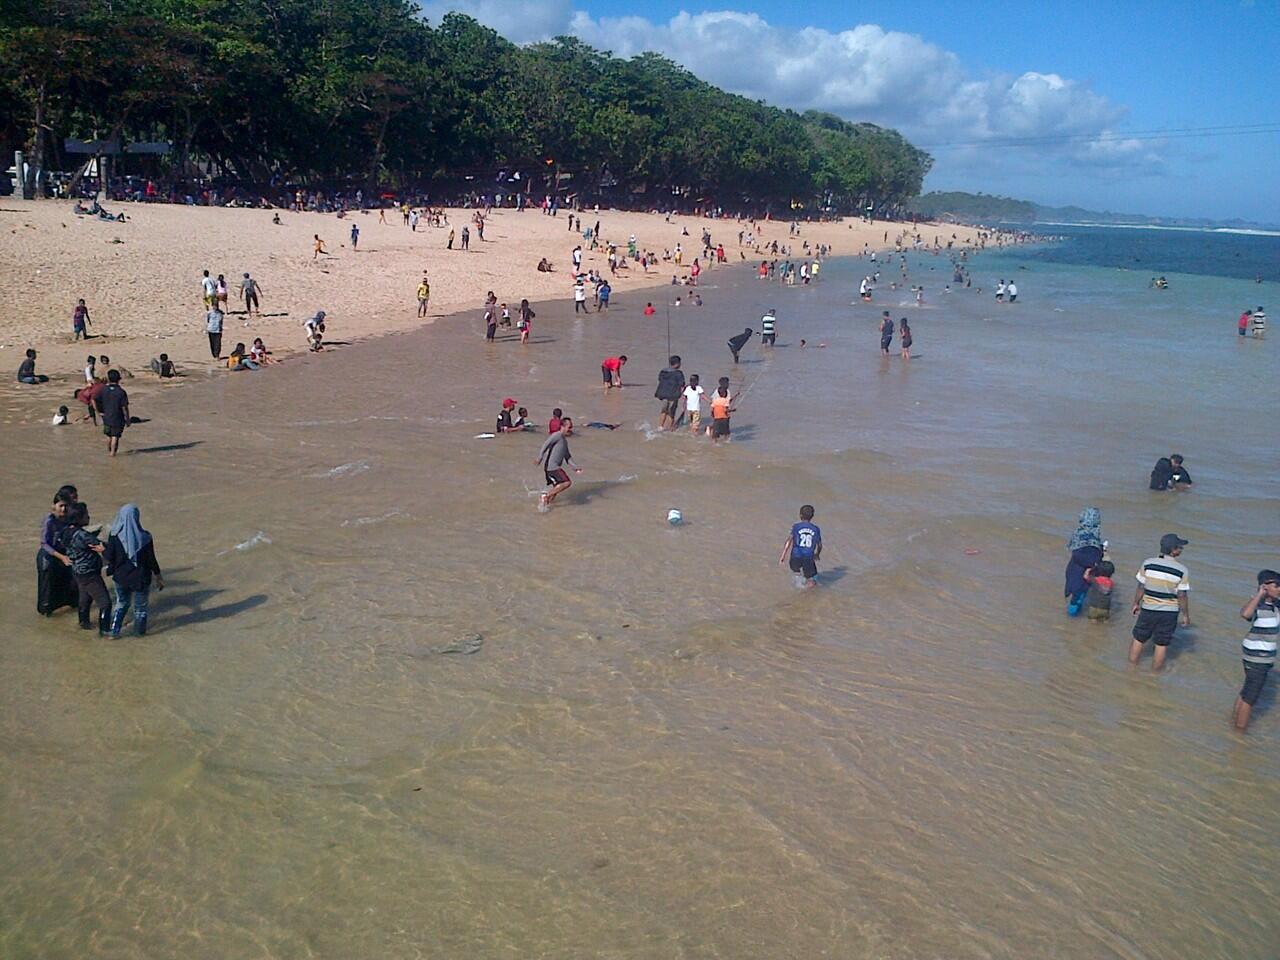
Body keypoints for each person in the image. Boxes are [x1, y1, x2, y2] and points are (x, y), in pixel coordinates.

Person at [1130, 534, 1191, 671]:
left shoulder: (1148, 563)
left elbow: (1141, 587)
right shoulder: (1182, 570)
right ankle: (1154, 674)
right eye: (1180, 547)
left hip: (1148, 608)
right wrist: (1185, 614)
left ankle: (1131, 668)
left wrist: (1136, 603)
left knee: (1139, 638)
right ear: (1174, 550)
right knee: (1161, 644)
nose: (1181, 550)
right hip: (1169, 612)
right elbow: (1181, 595)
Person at [103, 503, 164, 637]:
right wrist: (158, 577)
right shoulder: (146, 537)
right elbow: (151, 559)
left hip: (121, 578)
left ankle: (114, 632)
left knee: (121, 603)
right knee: (140, 609)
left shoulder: (114, 536)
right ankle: (139, 635)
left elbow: (108, 558)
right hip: (141, 578)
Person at [1235, 569, 1280, 732]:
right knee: (1250, 698)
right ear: (1265, 587)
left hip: (1261, 657)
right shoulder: (1257, 605)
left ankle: (1234, 722)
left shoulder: (1276, 605)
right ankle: (1239, 733)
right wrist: (1260, 593)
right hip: (1256, 657)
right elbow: (1245, 614)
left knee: (1246, 691)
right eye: (1277, 586)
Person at [62, 502, 111, 634]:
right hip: (90, 574)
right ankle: (105, 631)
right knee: (105, 604)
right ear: (79, 518)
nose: (88, 517)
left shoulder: (66, 532)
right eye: (86, 515)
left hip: (78, 572)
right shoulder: (83, 536)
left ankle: (83, 624)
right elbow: (100, 545)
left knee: (85, 599)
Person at [37, 491, 77, 617]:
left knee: (67, 583)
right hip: (48, 557)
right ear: (54, 506)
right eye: (61, 506)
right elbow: (44, 544)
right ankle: (46, 613)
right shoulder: (49, 521)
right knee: (47, 590)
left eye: (66, 506)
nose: (63, 509)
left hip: (63, 555)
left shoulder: (68, 519)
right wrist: (62, 557)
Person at [1064, 507, 1104, 615]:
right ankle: (1071, 623)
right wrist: (1096, 562)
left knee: (1076, 596)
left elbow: (1075, 552)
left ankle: (1071, 620)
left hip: (1073, 569)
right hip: (1083, 573)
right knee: (1078, 599)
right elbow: (1091, 557)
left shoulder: (1078, 533)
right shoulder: (1094, 536)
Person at [536, 418, 580, 509]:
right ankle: (545, 496)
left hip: (552, 468)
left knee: (556, 489)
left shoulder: (564, 441)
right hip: (552, 467)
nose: (571, 429)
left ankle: (546, 507)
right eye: (569, 427)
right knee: (567, 482)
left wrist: (575, 467)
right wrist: (540, 457)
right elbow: (546, 445)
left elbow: (567, 457)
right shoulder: (557, 435)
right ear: (562, 426)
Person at [779, 504, 822, 588]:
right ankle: (807, 592)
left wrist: (783, 556)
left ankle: (798, 586)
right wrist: (817, 554)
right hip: (808, 557)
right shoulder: (816, 529)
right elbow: (819, 545)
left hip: (795, 557)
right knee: (812, 578)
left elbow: (788, 541)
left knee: (797, 573)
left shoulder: (796, 527)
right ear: (812, 516)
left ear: (800, 515)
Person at [97, 369, 129, 456]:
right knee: (115, 436)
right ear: (119, 379)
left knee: (109, 436)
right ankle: (113, 453)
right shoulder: (121, 392)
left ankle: (109, 451)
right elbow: (124, 407)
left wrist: (99, 412)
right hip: (117, 418)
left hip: (106, 417)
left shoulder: (103, 390)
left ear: (108, 379)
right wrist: (127, 419)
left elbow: (96, 400)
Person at [654, 356, 686, 431]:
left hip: (663, 394)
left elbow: (660, 379)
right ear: (677, 364)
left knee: (664, 410)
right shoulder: (678, 373)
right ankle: (670, 428)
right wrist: (682, 394)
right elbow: (682, 384)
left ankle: (660, 427)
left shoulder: (663, 372)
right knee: (672, 412)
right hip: (673, 395)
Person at [708, 377, 734, 442]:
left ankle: (723, 440)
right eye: (726, 383)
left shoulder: (728, 391)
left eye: (728, 383)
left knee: (724, 429)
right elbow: (713, 402)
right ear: (721, 384)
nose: (728, 385)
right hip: (719, 413)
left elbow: (728, 401)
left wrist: (735, 396)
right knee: (718, 429)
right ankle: (710, 430)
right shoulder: (717, 392)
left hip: (723, 415)